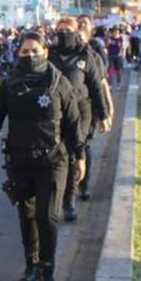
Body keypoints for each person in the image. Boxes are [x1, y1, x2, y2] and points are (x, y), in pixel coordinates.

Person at [0, 31, 85, 281]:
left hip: (53, 160)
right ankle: (31, 264)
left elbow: (73, 122)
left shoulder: (59, 83)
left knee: (47, 217)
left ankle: (48, 271)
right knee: (26, 214)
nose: (30, 55)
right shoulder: (10, 84)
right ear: (18, 54)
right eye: (25, 52)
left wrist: (80, 155)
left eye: (35, 50)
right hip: (20, 159)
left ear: (45, 52)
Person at [49, 18, 109, 221]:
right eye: (61, 30)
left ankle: (70, 202)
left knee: (76, 152)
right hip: (56, 112)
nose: (65, 33)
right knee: (59, 155)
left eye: (69, 30)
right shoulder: (50, 54)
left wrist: (103, 115)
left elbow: (96, 87)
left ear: (77, 31)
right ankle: (57, 195)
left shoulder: (86, 56)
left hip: (81, 111)